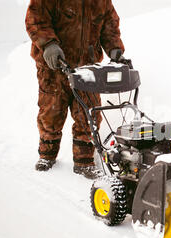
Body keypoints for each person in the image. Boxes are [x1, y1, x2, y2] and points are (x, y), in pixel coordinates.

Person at [25, 0, 125, 179]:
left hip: (87, 66)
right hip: (54, 65)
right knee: (51, 112)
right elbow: (36, 18)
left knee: (89, 113)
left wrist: (115, 49)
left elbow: (109, 24)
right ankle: (47, 155)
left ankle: (84, 161)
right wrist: (48, 44)